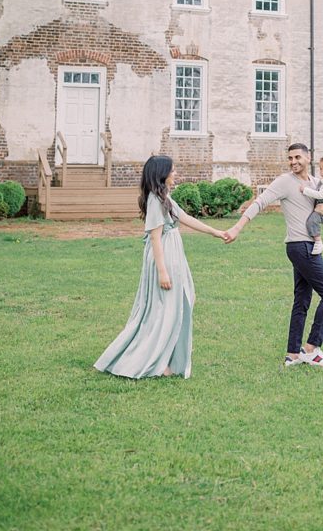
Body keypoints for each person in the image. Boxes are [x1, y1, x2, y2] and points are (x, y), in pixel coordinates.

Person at [94, 154, 226, 379]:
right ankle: (155, 362)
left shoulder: (164, 197)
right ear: (162, 174)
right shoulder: (155, 201)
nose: (175, 174)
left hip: (174, 254)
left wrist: (216, 232)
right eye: (172, 170)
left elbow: (185, 218)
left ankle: (167, 358)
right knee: (164, 310)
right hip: (164, 257)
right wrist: (162, 272)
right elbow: (155, 238)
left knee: (183, 301)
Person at [224, 143, 323, 368]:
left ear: (308, 158)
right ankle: (311, 349)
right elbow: (260, 202)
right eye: (290, 158)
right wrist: (237, 227)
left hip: (306, 245)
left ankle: (292, 354)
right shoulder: (285, 182)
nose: (293, 161)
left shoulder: (318, 183)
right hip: (300, 247)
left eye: (297, 157)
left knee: (302, 300)